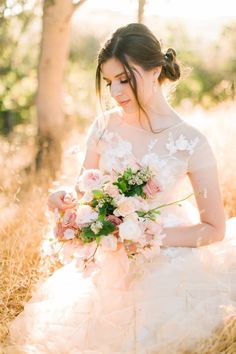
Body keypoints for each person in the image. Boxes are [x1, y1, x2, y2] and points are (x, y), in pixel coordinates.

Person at [7, 23, 236, 354]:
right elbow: (87, 192)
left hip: (169, 262)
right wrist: (65, 201)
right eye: (109, 81)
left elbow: (214, 228)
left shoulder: (191, 142)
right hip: (108, 263)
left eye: (125, 79)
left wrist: (147, 235)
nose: (115, 92)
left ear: (155, 70)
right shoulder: (103, 127)